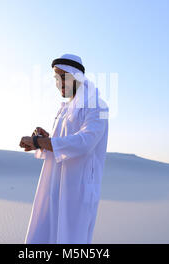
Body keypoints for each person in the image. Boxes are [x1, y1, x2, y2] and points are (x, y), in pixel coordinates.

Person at [19, 53, 109, 244]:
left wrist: (38, 143)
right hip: (56, 184)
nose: (59, 82)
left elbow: (85, 142)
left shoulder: (97, 106)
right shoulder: (65, 107)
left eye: (63, 77)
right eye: (56, 77)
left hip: (78, 188)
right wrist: (46, 139)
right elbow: (64, 142)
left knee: (71, 240)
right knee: (48, 235)